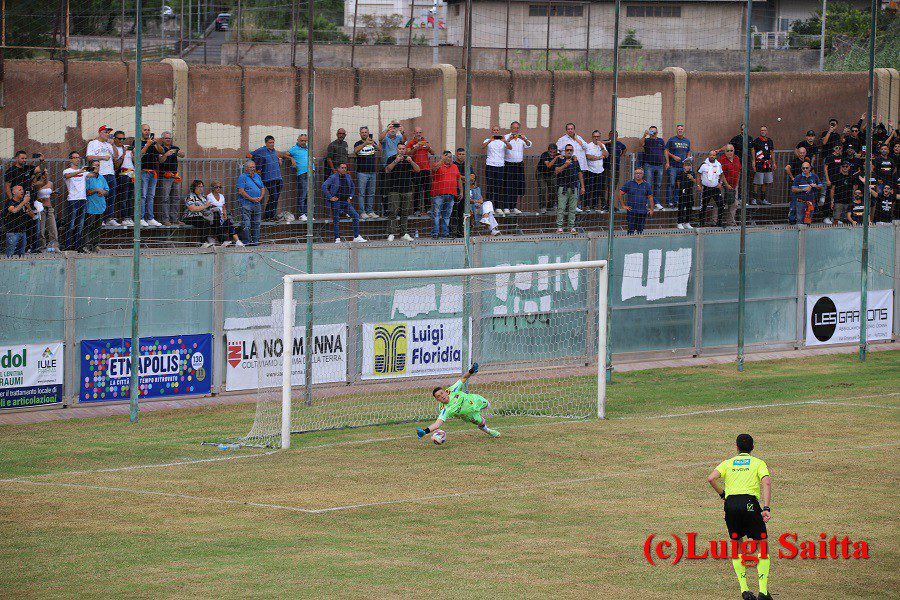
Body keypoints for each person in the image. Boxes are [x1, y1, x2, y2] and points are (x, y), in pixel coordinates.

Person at [706, 433, 773, 600]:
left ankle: (744, 590)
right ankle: (763, 592)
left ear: (736, 447)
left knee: (737, 544)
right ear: (753, 447)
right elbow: (766, 482)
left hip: (731, 504)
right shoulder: (758, 463)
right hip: (750, 503)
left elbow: (711, 478)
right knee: (761, 545)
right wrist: (766, 507)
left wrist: (723, 495)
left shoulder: (728, 463)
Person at [416, 362, 501, 440]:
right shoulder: (444, 409)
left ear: (445, 391)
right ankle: (489, 431)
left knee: (488, 405)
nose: (441, 396)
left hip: (475, 400)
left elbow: (464, 378)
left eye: (441, 393)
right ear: (437, 400)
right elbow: (437, 424)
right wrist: (425, 431)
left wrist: (471, 370)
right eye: (438, 396)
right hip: (469, 415)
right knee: (481, 423)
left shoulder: (452, 390)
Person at [322, 163, 367, 244]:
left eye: (345, 168)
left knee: (356, 215)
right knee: (336, 219)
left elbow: (353, 187)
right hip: (337, 202)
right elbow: (324, 186)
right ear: (338, 169)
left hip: (346, 202)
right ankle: (337, 238)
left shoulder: (348, 176)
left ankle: (356, 236)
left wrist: (350, 197)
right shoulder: (333, 177)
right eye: (342, 168)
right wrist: (330, 197)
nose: (344, 169)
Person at [252, 135, 293, 222]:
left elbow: (279, 154)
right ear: (266, 143)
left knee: (275, 197)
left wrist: (279, 158)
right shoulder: (261, 150)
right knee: (273, 195)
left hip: (278, 177)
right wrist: (255, 167)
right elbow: (250, 155)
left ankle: (271, 216)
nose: (272, 144)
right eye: (270, 143)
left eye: (273, 142)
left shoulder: (274, 151)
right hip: (268, 178)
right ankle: (268, 216)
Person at [384, 142, 420, 241]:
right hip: (394, 190)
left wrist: (411, 162)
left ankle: (404, 233)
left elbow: (418, 170)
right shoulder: (391, 158)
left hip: (407, 190)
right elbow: (387, 170)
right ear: (397, 149)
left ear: (405, 150)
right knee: (393, 212)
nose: (401, 150)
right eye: (400, 149)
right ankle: (391, 233)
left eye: (403, 149)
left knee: (405, 213)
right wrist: (396, 161)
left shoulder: (408, 159)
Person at [86, 125, 118, 226]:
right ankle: (101, 219)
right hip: (100, 173)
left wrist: (113, 145)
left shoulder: (109, 145)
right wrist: (103, 157)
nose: (108, 134)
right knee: (99, 195)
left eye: (109, 133)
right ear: (100, 132)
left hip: (110, 173)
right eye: (106, 132)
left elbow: (116, 156)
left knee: (111, 195)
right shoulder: (93, 143)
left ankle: (109, 217)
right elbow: (89, 157)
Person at [155, 131, 186, 226]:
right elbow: (160, 160)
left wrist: (181, 153)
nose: (168, 140)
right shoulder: (160, 148)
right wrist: (166, 154)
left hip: (174, 175)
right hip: (164, 176)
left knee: (176, 198)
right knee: (165, 198)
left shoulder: (175, 148)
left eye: (169, 138)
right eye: (166, 138)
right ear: (162, 139)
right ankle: (165, 219)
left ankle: (175, 219)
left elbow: (182, 155)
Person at [430, 151, 461, 239]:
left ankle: (445, 233)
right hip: (438, 194)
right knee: (436, 214)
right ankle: (435, 233)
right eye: (448, 157)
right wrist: (441, 160)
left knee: (447, 215)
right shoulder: (437, 164)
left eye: (451, 157)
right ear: (443, 157)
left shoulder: (455, 166)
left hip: (451, 194)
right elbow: (434, 169)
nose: (450, 158)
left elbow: (458, 179)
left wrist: (461, 191)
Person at [503, 121, 532, 214]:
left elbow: (529, 145)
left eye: (517, 128)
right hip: (509, 164)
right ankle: (506, 206)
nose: (515, 130)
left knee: (516, 185)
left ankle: (514, 206)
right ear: (511, 128)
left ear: (519, 129)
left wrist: (525, 139)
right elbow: (502, 146)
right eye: (513, 128)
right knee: (508, 185)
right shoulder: (506, 136)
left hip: (519, 164)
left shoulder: (521, 137)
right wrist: (509, 140)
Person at [138, 124, 164, 227]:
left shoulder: (153, 143)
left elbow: (162, 151)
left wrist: (156, 143)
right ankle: (140, 218)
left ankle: (150, 218)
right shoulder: (138, 142)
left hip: (153, 172)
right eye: (145, 130)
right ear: (140, 131)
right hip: (143, 172)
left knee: (151, 196)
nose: (147, 132)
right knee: (143, 196)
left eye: (148, 130)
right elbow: (139, 155)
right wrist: (147, 144)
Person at [555, 144, 584, 234]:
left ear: (573, 151)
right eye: (567, 150)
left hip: (574, 187)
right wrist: (565, 165)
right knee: (561, 208)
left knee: (572, 209)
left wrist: (582, 187)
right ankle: (559, 227)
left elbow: (579, 173)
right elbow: (556, 171)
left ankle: (571, 227)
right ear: (564, 151)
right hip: (563, 187)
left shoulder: (575, 160)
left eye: (571, 150)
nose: (569, 151)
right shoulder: (560, 159)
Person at [63, 151, 89, 252]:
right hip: (73, 200)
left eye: (78, 157)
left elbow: (93, 175)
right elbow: (67, 176)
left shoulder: (83, 171)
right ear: (70, 159)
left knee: (80, 225)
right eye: (75, 157)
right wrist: (79, 171)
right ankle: (67, 246)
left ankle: (78, 247)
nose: (77, 159)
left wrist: (96, 167)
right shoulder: (66, 171)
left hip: (83, 199)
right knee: (71, 224)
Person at [236, 160, 266, 246]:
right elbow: (241, 191)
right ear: (245, 168)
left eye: (253, 167)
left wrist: (260, 197)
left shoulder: (257, 176)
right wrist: (251, 198)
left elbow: (262, 188)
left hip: (257, 203)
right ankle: (246, 241)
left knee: (257, 222)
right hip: (246, 203)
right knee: (246, 223)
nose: (253, 169)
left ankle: (255, 241)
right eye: (250, 167)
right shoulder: (242, 177)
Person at [483, 125, 512, 212]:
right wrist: (490, 140)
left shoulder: (502, 141)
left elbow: (510, 147)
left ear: (499, 131)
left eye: (497, 130)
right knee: (489, 187)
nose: (496, 132)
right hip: (490, 165)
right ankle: (488, 208)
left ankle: (498, 207)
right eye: (494, 130)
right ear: (492, 131)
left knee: (498, 187)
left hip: (500, 166)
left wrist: (505, 141)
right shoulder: (488, 140)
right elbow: (483, 146)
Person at [205, 180, 244, 246]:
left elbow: (223, 206)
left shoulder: (222, 196)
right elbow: (210, 207)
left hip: (222, 215)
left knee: (228, 222)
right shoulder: (209, 196)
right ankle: (222, 240)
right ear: (213, 188)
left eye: (220, 187)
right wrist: (220, 213)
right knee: (218, 220)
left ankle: (237, 241)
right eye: (216, 187)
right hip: (214, 216)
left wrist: (225, 214)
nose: (218, 189)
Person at [353, 126, 380, 218]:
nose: (364, 134)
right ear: (360, 134)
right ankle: (362, 212)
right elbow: (355, 151)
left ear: (368, 133)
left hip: (372, 172)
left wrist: (374, 144)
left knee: (371, 193)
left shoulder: (372, 142)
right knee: (361, 193)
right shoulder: (358, 143)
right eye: (362, 132)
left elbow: (380, 150)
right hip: (362, 172)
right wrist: (365, 143)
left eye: (366, 132)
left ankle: (370, 211)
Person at [183, 179, 219, 247]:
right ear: (194, 187)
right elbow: (192, 208)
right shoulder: (190, 196)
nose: (201, 188)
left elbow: (208, 208)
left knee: (217, 217)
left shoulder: (204, 197)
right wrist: (205, 206)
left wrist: (213, 209)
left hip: (203, 216)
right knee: (203, 221)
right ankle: (203, 242)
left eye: (202, 186)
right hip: (190, 217)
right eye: (199, 186)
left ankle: (219, 239)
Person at [32, 160, 58, 252]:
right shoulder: (37, 183)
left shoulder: (50, 183)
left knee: (53, 228)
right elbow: (35, 195)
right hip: (40, 208)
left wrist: (54, 194)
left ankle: (54, 246)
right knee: (41, 230)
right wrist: (40, 199)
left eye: (47, 172)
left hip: (49, 207)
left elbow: (50, 194)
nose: (47, 173)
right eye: (45, 172)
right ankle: (42, 247)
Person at [618, 167, 654, 235]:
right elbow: (620, 193)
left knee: (640, 231)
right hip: (632, 211)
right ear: (634, 174)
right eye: (636, 173)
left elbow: (650, 197)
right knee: (630, 231)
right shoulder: (629, 183)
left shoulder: (647, 185)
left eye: (640, 173)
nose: (638, 175)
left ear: (643, 175)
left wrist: (652, 209)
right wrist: (623, 205)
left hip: (642, 211)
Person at [287, 133, 314, 222]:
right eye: (302, 140)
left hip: (311, 174)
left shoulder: (308, 148)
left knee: (309, 195)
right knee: (302, 194)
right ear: (298, 140)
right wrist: (291, 159)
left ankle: (308, 214)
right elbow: (284, 154)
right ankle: (301, 214)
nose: (303, 142)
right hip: (302, 174)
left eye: (305, 141)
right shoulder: (294, 149)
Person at [84, 160, 109, 253]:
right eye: (94, 166)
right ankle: (85, 246)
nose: (96, 168)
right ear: (91, 167)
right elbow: (86, 192)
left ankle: (95, 245)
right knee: (87, 227)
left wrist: (103, 192)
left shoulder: (102, 178)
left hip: (100, 207)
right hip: (90, 207)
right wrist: (96, 189)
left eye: (98, 166)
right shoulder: (87, 177)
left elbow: (107, 191)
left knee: (97, 228)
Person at [409, 126, 435, 216]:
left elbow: (433, 152)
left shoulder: (425, 141)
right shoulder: (411, 143)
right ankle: (416, 210)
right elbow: (408, 153)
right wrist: (415, 148)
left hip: (426, 169)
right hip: (416, 169)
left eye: (420, 132)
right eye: (417, 132)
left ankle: (428, 209)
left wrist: (429, 147)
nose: (418, 134)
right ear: (414, 133)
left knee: (427, 190)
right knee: (417, 190)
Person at [111, 131, 135, 226]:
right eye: (119, 138)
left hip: (132, 173)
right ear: (115, 139)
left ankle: (129, 217)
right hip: (122, 173)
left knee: (130, 196)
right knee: (123, 196)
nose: (121, 140)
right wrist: (124, 153)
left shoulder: (128, 147)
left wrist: (133, 155)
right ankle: (124, 217)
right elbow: (116, 165)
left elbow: (135, 161)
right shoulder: (114, 148)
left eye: (123, 139)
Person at [750, 126, 776, 206]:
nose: (763, 131)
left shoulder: (770, 141)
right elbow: (753, 150)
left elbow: (772, 152)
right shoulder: (756, 141)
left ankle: (763, 199)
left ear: (767, 131)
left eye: (764, 130)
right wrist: (753, 162)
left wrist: (774, 163)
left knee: (765, 182)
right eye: (761, 130)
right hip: (759, 164)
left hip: (767, 164)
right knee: (757, 182)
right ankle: (754, 199)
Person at [698, 150, 724, 227]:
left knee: (721, 205)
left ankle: (719, 223)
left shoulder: (718, 165)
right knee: (704, 206)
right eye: (711, 155)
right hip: (706, 189)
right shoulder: (704, 164)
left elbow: (722, 174)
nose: (712, 156)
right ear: (708, 155)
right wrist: (698, 185)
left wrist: (720, 183)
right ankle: (701, 223)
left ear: (715, 156)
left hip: (715, 189)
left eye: (713, 155)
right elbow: (698, 174)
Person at [5, 184, 32, 258]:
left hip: (23, 232)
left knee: (21, 255)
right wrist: (24, 202)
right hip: (12, 233)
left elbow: (33, 216)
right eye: (20, 190)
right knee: (10, 255)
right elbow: (14, 210)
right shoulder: (9, 202)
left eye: (22, 190)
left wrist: (28, 206)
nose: (22, 191)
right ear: (13, 192)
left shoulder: (24, 203)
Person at [583, 130, 608, 212]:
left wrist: (601, 147)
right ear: (592, 137)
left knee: (598, 189)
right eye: (595, 136)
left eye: (598, 136)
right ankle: (587, 205)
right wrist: (599, 157)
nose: (596, 138)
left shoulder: (602, 145)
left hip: (600, 170)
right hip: (590, 170)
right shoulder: (589, 145)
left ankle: (595, 205)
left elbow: (606, 155)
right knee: (589, 188)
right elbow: (588, 156)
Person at [642, 126, 665, 207]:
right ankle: (646, 203)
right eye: (651, 132)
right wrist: (644, 135)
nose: (653, 134)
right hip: (649, 165)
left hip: (660, 166)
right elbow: (641, 144)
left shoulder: (661, 140)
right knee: (648, 184)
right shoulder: (647, 140)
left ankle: (657, 202)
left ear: (657, 133)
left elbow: (664, 151)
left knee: (658, 185)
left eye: (654, 132)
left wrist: (666, 162)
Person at [718, 145, 741, 227]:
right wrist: (726, 184)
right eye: (727, 151)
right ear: (725, 152)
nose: (729, 152)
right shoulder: (721, 159)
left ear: (733, 151)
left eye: (731, 150)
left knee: (734, 204)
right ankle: (715, 222)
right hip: (723, 185)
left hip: (734, 186)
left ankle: (730, 222)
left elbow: (738, 171)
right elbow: (721, 173)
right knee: (719, 203)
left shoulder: (737, 158)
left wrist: (736, 184)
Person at [535, 144, 561, 213]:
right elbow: (549, 165)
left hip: (551, 174)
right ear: (548, 151)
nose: (552, 154)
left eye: (554, 152)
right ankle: (542, 207)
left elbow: (561, 164)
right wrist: (556, 158)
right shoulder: (544, 155)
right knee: (543, 189)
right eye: (550, 152)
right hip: (541, 173)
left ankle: (551, 206)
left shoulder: (559, 155)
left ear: (556, 151)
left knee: (554, 189)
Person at [675, 157, 696, 229]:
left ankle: (687, 222)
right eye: (686, 165)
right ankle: (679, 222)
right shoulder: (680, 173)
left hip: (690, 192)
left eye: (689, 165)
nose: (688, 166)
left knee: (689, 207)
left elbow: (695, 181)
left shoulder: (692, 173)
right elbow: (678, 182)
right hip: (682, 192)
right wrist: (681, 189)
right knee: (681, 207)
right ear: (683, 166)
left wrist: (692, 178)